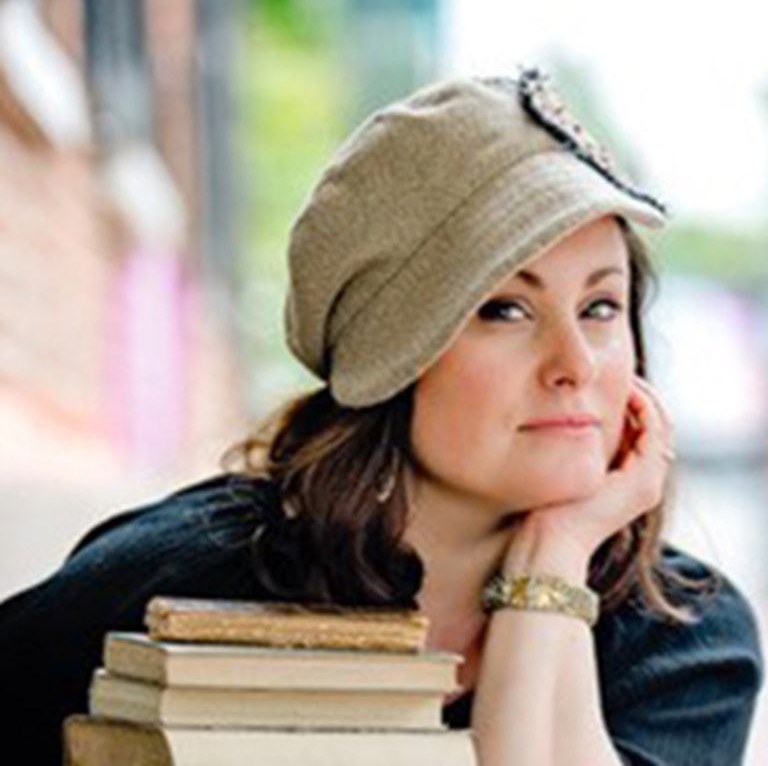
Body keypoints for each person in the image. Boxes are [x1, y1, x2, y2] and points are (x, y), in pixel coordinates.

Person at [0, 65, 763, 766]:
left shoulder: (685, 640)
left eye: (600, 307)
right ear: (391, 351)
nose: (577, 363)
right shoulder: (187, 581)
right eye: (504, 309)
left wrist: (551, 568)